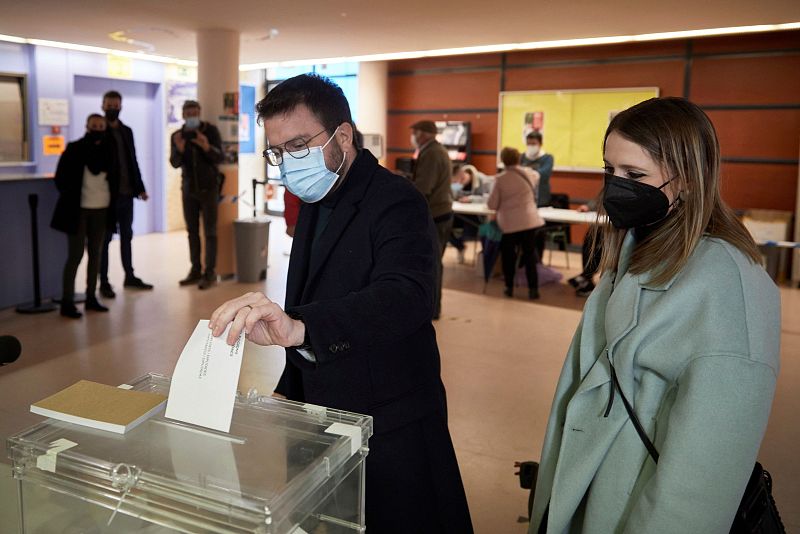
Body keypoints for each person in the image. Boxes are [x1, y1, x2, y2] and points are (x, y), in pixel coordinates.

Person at [208, 74, 472, 533]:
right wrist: (289, 388)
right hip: (321, 407)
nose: (286, 164)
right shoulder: (318, 196)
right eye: (276, 152)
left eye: (296, 146)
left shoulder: (397, 201)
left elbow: (406, 296)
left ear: (342, 136)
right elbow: (311, 293)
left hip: (389, 413)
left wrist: (301, 328)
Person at [529, 97, 780, 533]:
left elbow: (704, 473)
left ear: (687, 179)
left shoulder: (729, 284)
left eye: (635, 175)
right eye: (610, 171)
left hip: (639, 502)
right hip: (596, 483)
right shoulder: (638, 250)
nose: (616, 186)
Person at [51, 114, 114, 318]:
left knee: (96, 254)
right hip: (78, 210)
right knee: (75, 255)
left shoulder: (109, 151)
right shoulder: (74, 148)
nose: (97, 129)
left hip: (102, 209)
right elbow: (60, 178)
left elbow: (119, 176)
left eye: (101, 126)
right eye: (94, 126)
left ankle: (91, 297)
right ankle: (67, 301)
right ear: (87, 126)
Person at [99, 90, 153, 297]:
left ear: (121, 106)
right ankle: (103, 281)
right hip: (106, 197)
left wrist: (140, 188)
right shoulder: (100, 130)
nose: (113, 108)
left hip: (127, 194)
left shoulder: (126, 131)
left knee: (127, 236)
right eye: (109, 105)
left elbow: (133, 161)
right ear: (103, 105)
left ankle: (129, 276)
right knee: (104, 240)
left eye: (116, 105)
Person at [170, 100, 224, 289]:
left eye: (195, 112)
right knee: (192, 232)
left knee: (210, 232)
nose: (192, 115)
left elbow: (220, 157)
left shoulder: (210, 131)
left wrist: (206, 146)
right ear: (183, 115)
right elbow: (175, 163)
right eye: (188, 112)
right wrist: (180, 149)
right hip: (188, 189)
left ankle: (209, 273)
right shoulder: (177, 136)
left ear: (199, 113)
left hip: (209, 188)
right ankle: (195, 270)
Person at [488, 147, 546, 300]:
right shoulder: (529, 174)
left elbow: (492, 205)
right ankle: (533, 290)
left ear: (503, 160)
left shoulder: (500, 179)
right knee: (529, 256)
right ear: (518, 158)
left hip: (510, 225)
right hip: (529, 221)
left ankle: (509, 287)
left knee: (509, 256)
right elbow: (538, 175)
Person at [410, 119, 452, 319]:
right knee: (435, 262)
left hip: (435, 214)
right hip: (442, 212)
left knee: (433, 263)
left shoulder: (432, 153)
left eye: (415, 132)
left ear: (424, 134)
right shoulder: (437, 150)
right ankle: (433, 306)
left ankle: (433, 308)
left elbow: (423, 188)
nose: (413, 137)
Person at [449, 164, 489, 263]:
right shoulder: (458, 183)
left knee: (473, 227)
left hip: (476, 215)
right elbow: (453, 195)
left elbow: (487, 198)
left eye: (462, 178)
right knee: (447, 225)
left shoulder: (481, 179)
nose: (460, 181)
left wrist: (470, 199)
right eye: (459, 179)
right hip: (460, 212)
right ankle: (460, 246)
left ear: (468, 174)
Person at [567, 202, 602, 297]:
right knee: (590, 237)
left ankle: (586, 277)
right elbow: (599, 199)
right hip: (603, 223)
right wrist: (588, 206)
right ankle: (586, 276)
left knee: (597, 243)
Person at [520, 131, 554, 207]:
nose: (531, 146)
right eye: (529, 144)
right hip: (523, 197)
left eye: (533, 144)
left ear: (540, 144)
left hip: (541, 199)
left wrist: (526, 172)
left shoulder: (547, 158)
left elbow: (544, 173)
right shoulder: (522, 157)